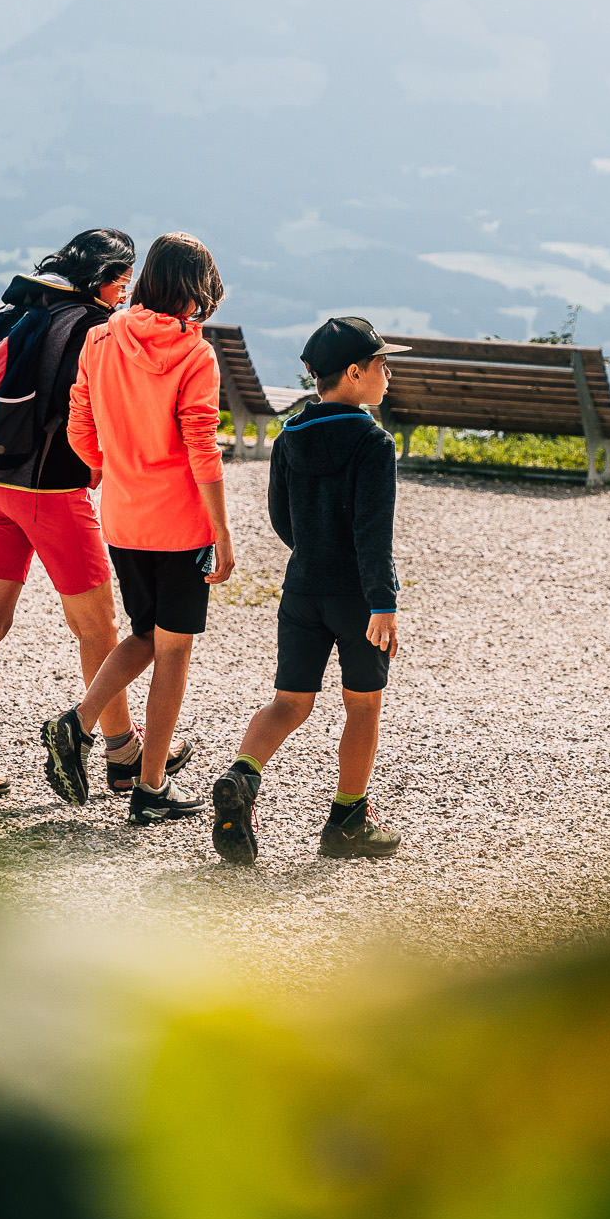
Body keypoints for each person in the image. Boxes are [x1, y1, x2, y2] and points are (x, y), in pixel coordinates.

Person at [0, 230, 187, 801]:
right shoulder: (89, 328)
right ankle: (123, 754)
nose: (126, 293)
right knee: (99, 629)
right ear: (106, 279)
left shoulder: (22, 308)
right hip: (49, 491)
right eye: (124, 281)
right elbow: (98, 410)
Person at [40, 232, 235, 825]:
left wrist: (105, 466)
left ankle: (75, 725)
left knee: (146, 635)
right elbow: (202, 447)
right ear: (197, 289)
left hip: (122, 520)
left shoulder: (102, 338)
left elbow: (79, 422)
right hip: (179, 525)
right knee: (173, 652)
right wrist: (222, 533)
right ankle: (151, 789)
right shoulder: (195, 356)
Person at [211, 316, 409, 864]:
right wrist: (383, 602)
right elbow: (374, 531)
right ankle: (347, 821)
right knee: (363, 707)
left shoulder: (291, 434)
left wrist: (313, 550)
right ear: (353, 372)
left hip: (302, 589)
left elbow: (281, 516)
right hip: (355, 598)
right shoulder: (373, 442)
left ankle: (242, 777)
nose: (388, 372)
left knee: (289, 702)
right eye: (381, 363)